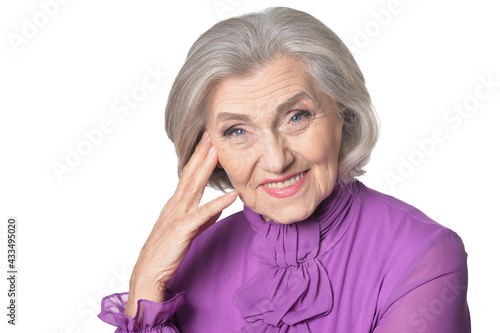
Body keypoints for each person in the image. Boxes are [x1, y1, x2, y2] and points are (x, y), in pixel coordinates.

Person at [98, 7, 470, 332]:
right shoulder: (185, 262)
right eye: (237, 131)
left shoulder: (422, 255)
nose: (276, 160)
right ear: (206, 148)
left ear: (342, 111)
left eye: (297, 116)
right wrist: (145, 284)